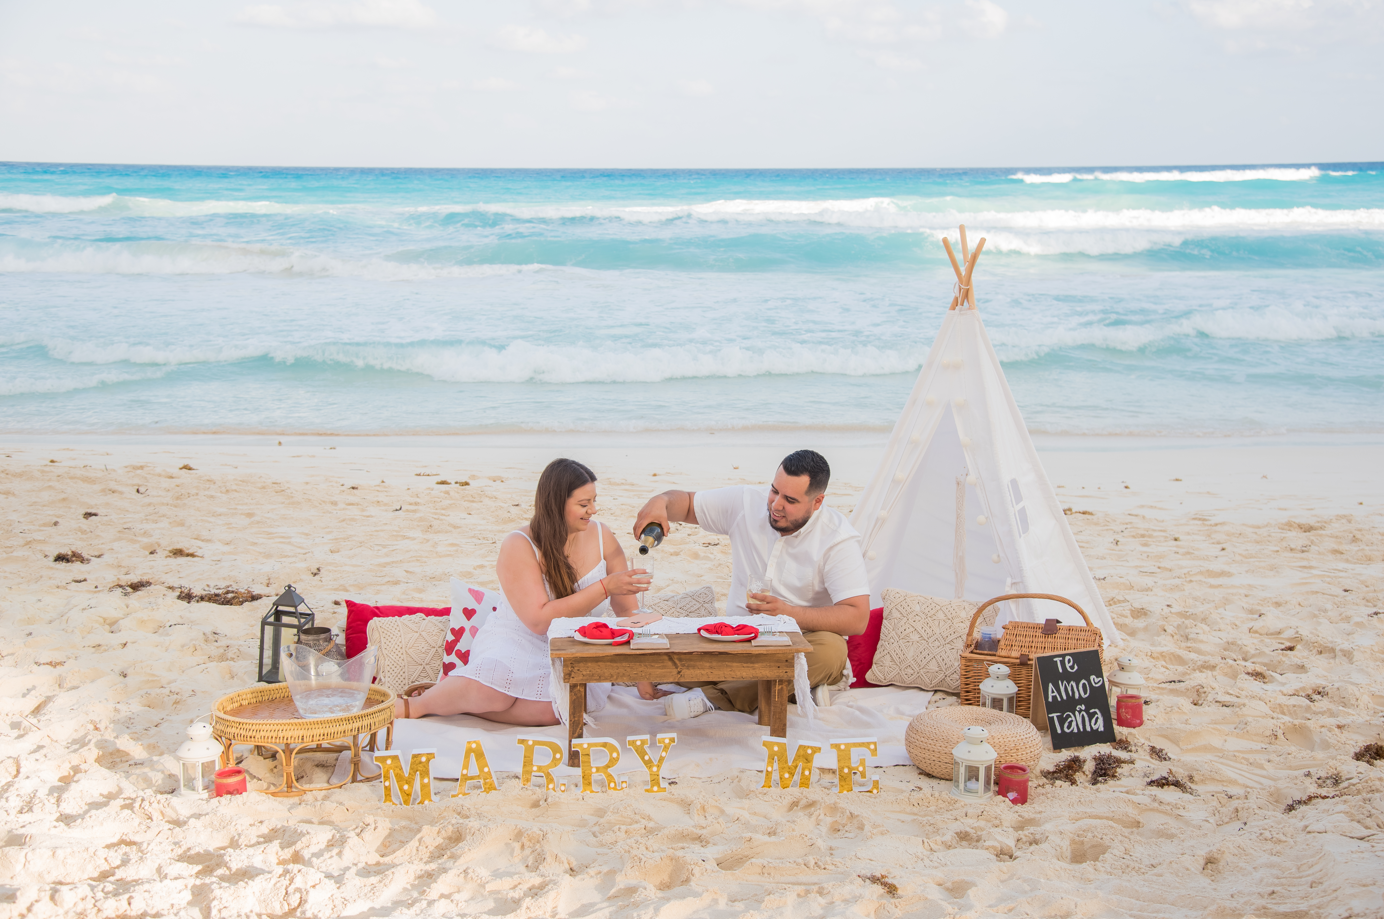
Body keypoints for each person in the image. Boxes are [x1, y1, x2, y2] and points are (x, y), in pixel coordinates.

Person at [397, 458, 664, 724]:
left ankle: (460, 703)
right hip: (516, 639)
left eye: (594, 501)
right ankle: (417, 705)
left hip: (571, 645)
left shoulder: (601, 536)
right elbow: (538, 621)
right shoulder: (519, 544)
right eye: (583, 504)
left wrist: (643, 675)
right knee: (495, 693)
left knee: (557, 708)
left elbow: (629, 610)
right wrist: (604, 587)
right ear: (556, 504)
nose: (592, 510)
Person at [631, 449, 870, 719]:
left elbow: (857, 617)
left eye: (790, 500)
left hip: (800, 642)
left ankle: (713, 697)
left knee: (831, 653)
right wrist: (660, 501)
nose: (776, 504)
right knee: (677, 661)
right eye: (774, 491)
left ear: (817, 502)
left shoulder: (838, 538)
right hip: (736, 638)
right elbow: (685, 503)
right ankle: (794, 688)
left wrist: (790, 613)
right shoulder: (746, 502)